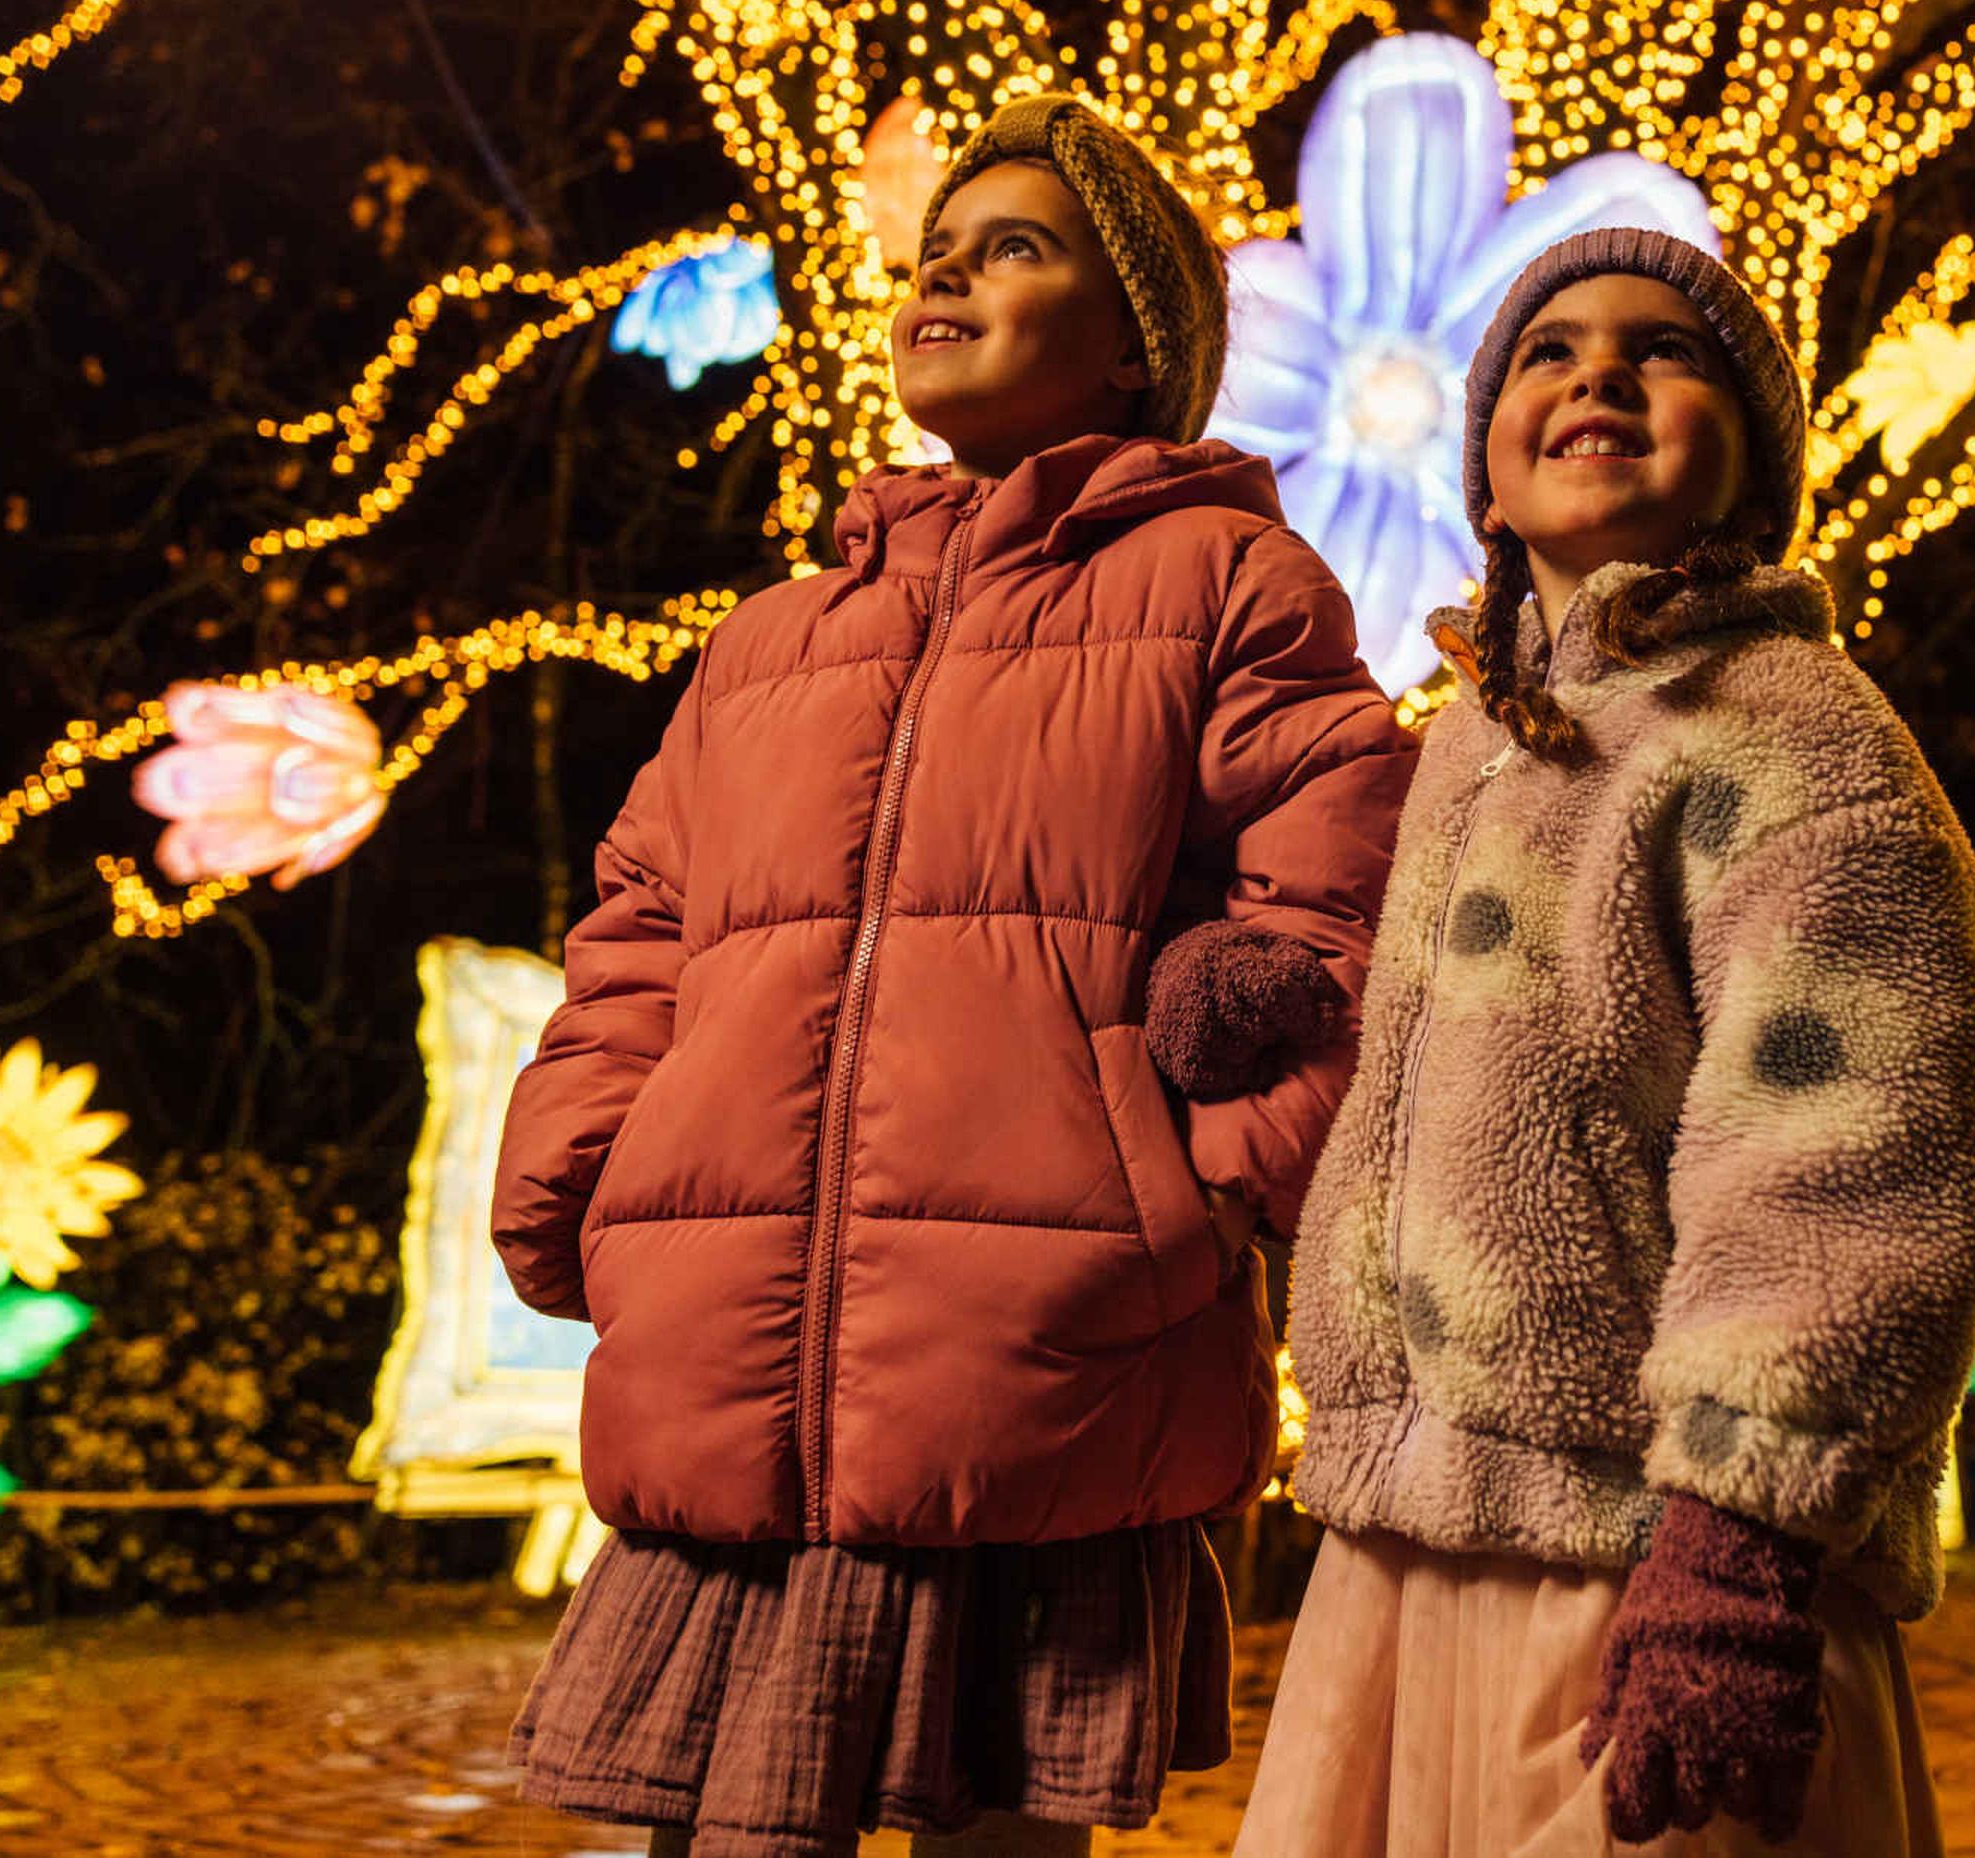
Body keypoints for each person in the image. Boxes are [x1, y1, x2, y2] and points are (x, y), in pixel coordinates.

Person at [494, 95, 1416, 1858]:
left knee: (1001, 1833)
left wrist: (1198, 1180)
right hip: (728, 1374)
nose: (951, 276)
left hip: (1037, 1372)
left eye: (1018, 249)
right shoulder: (773, 637)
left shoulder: (1229, 580)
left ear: (1138, 337)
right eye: (937, 250)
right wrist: (592, 1168)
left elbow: (1335, 908)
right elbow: (639, 934)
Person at [1239, 226, 1975, 1857]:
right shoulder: (1470, 747)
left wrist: (1741, 1533)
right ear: (1485, 475)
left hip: (1652, 1549)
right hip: (1414, 1540)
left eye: (1664, 349)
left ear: (1751, 465)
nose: (1598, 369)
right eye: (1548, 349)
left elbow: (1863, 1134)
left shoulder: (1789, 728)